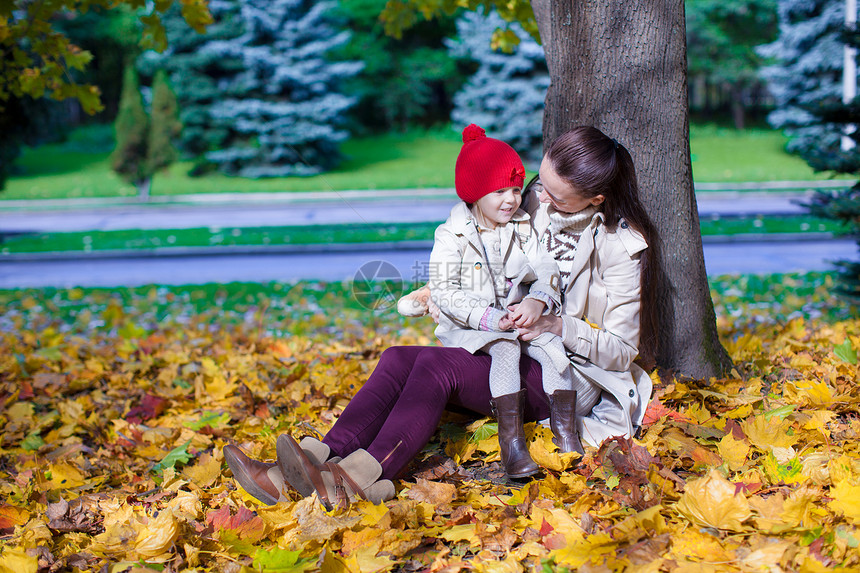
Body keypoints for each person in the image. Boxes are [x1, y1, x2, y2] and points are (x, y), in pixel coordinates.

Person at [224, 125, 658, 509]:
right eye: (538, 183)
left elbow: (621, 352)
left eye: (553, 194)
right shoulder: (531, 206)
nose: (536, 197)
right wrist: (452, 293)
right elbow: (486, 251)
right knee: (397, 357)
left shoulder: (621, 248)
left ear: (595, 198)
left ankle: (355, 481)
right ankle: (304, 467)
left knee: (435, 367)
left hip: (562, 373)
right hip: (504, 341)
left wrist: (554, 324)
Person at [428, 124, 582, 480]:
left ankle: (566, 434)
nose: (511, 199)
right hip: (472, 327)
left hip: (517, 320)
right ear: (474, 193)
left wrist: (537, 302)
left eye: (515, 189)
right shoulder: (452, 234)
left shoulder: (522, 227)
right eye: (499, 191)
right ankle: (512, 446)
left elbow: (545, 268)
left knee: (553, 349)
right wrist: (488, 318)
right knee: (507, 351)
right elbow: (445, 290)